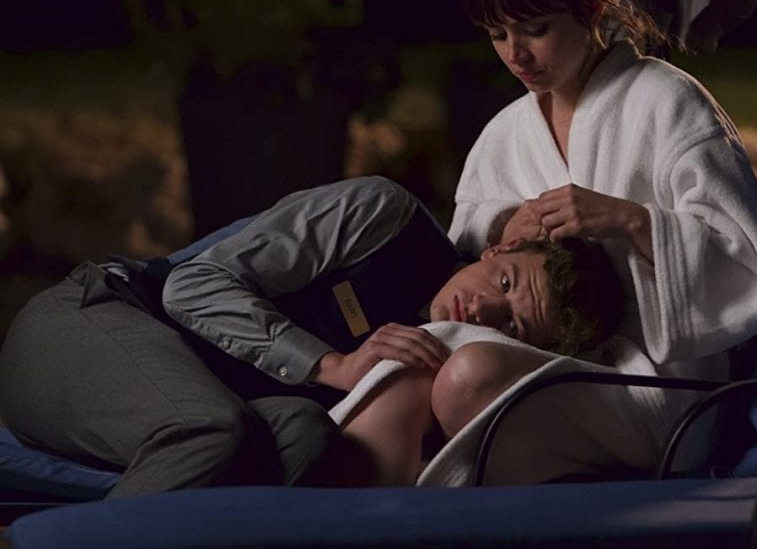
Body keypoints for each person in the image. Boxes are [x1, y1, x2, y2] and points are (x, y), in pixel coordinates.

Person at [446, 0, 757, 468]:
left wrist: (630, 220)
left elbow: (746, 263)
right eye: (497, 35)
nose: (516, 55)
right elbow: (462, 244)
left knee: (465, 380)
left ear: (592, 8)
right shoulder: (507, 132)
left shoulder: (667, 103)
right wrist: (503, 223)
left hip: (655, 386)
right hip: (534, 360)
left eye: (536, 29)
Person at [0, 176, 622, 495]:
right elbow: (190, 286)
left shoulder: (434, 363)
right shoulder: (384, 217)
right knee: (212, 429)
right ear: (499, 248)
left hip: (185, 406)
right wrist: (332, 365)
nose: (483, 310)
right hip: (91, 322)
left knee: (307, 435)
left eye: (511, 325)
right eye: (505, 283)